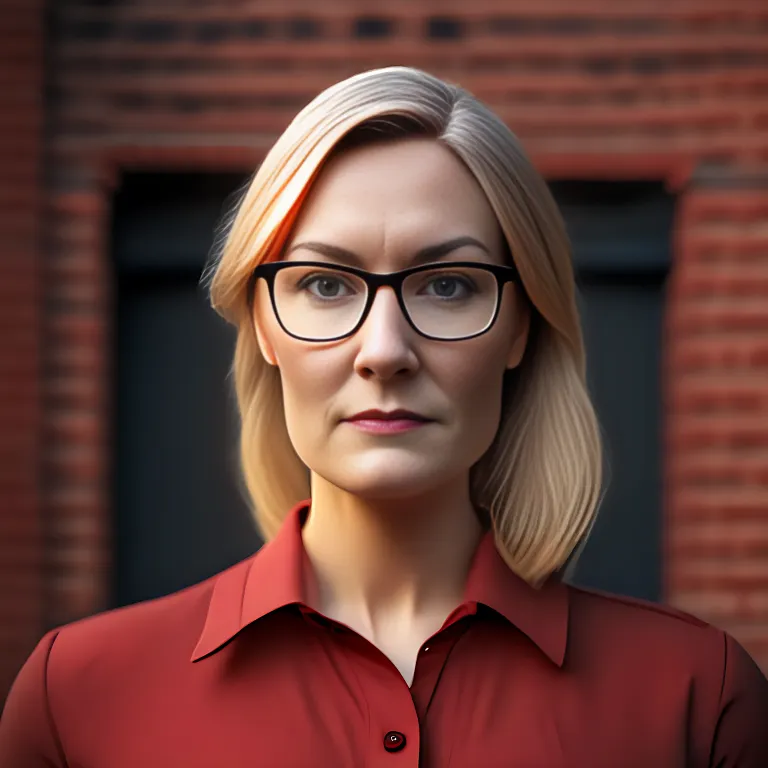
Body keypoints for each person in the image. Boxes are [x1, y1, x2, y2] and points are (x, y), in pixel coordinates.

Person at [1, 66, 767, 767]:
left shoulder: (697, 698)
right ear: (265, 325)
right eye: (327, 285)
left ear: (521, 327)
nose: (384, 351)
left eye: (448, 285)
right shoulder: (77, 696)